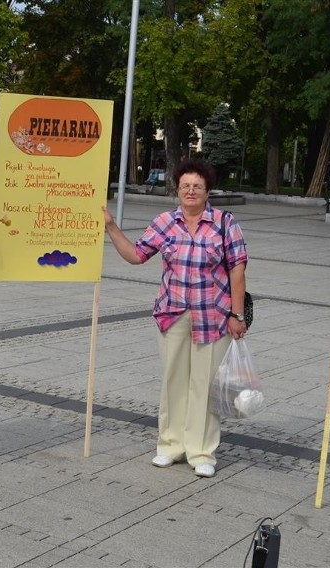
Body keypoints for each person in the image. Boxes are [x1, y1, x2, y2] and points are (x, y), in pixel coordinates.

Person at [102, 159, 248, 478]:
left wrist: (237, 314)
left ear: (208, 190)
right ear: (177, 190)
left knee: (204, 385)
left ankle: (201, 451)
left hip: (214, 315)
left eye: (197, 186)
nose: (191, 191)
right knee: (174, 382)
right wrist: (111, 227)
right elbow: (137, 255)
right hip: (173, 313)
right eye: (185, 186)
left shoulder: (224, 222)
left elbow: (238, 268)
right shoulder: (166, 222)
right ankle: (171, 445)